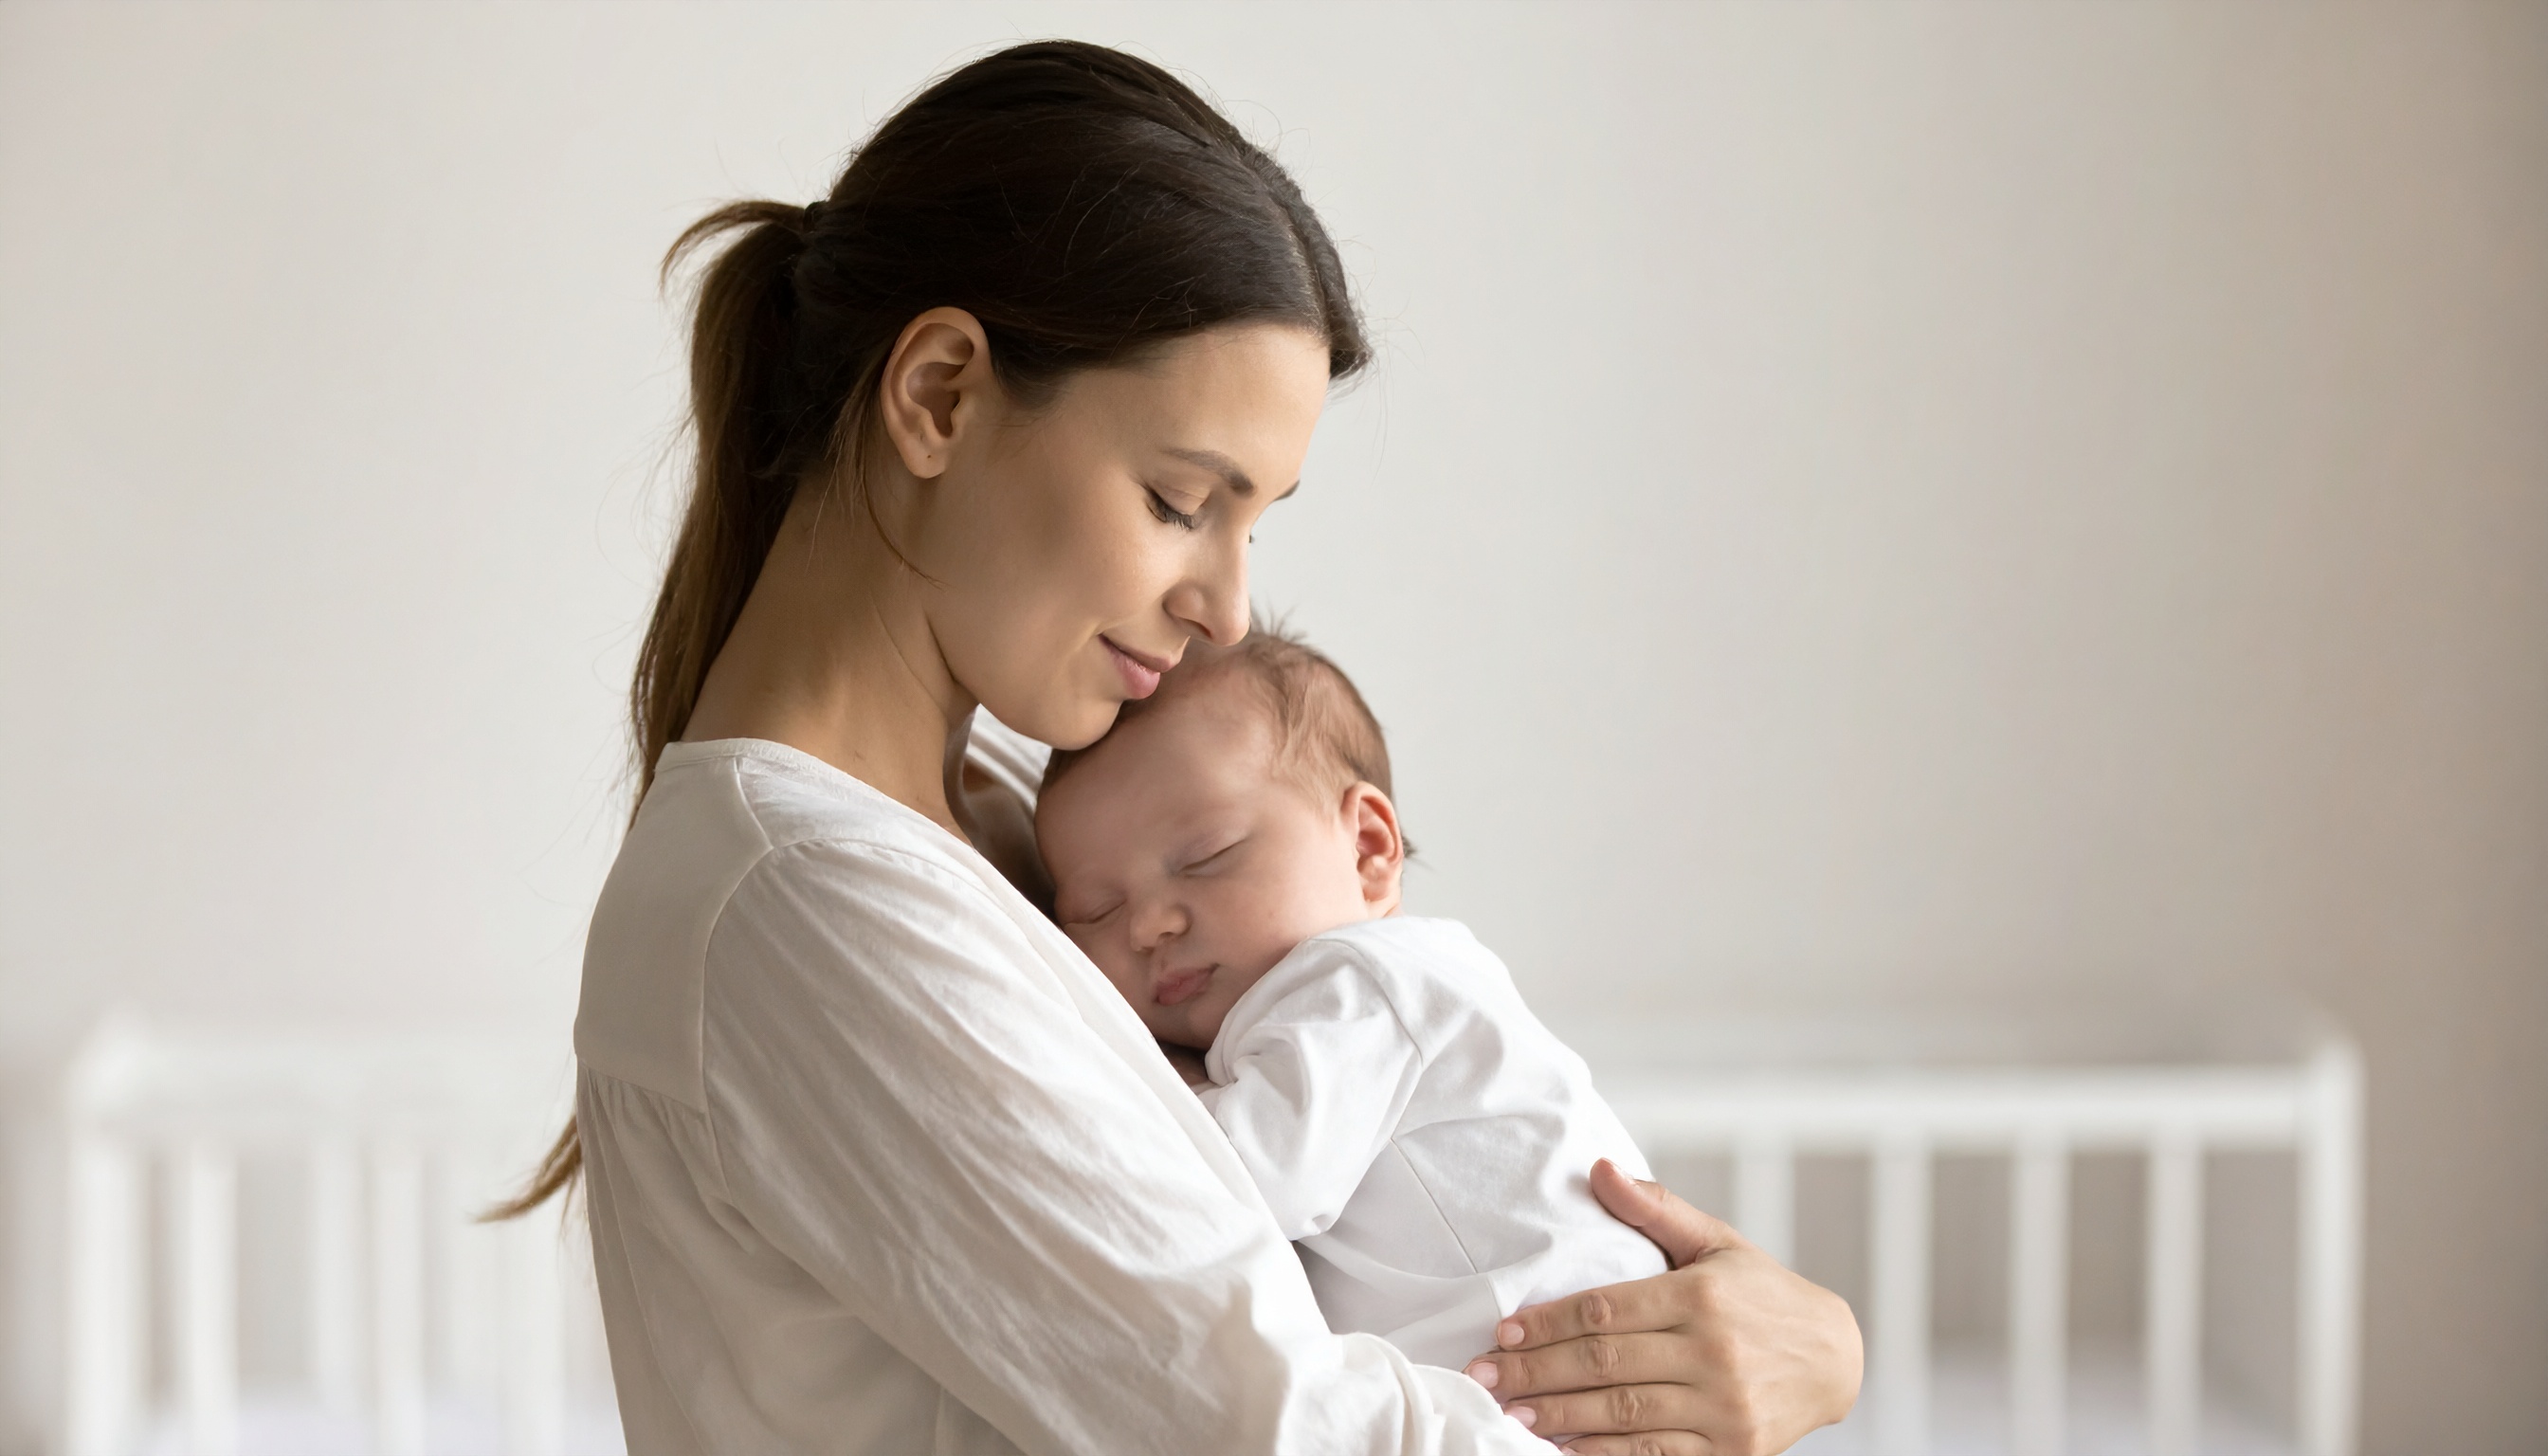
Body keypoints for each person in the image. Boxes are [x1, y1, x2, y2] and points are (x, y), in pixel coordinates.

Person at [504, 39, 1864, 1456]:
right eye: (1176, 500)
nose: (1221, 610)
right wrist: (1762, 1385)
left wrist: (1792, 1339)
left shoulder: (994, 829)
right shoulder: (808, 904)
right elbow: (1273, 1430)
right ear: (941, 396)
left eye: (1252, 525)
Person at [1035, 627, 1672, 1378]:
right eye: (1096, 911)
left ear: (1370, 848)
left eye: (1205, 858)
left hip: (1571, 1372)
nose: (1148, 926)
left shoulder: (1359, 984)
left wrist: (1175, 1085)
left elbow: (1243, 1180)